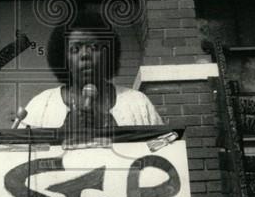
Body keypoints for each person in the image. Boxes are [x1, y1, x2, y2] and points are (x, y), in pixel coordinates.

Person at [19, 9, 163, 129]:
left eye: (94, 47)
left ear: (108, 53)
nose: (85, 55)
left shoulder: (138, 103)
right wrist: (63, 134)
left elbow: (163, 152)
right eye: (75, 49)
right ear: (64, 58)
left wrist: (116, 133)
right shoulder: (41, 105)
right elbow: (17, 156)